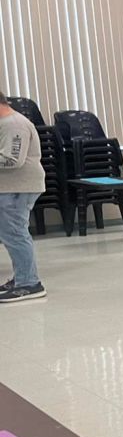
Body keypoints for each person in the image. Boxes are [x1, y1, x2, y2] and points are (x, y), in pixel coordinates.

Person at [0, 93, 46, 303]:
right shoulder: (7, 123)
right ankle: (22, 277)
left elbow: (12, 160)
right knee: (12, 235)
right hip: (11, 188)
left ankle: (29, 284)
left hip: (17, 188)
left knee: (15, 234)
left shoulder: (14, 125)